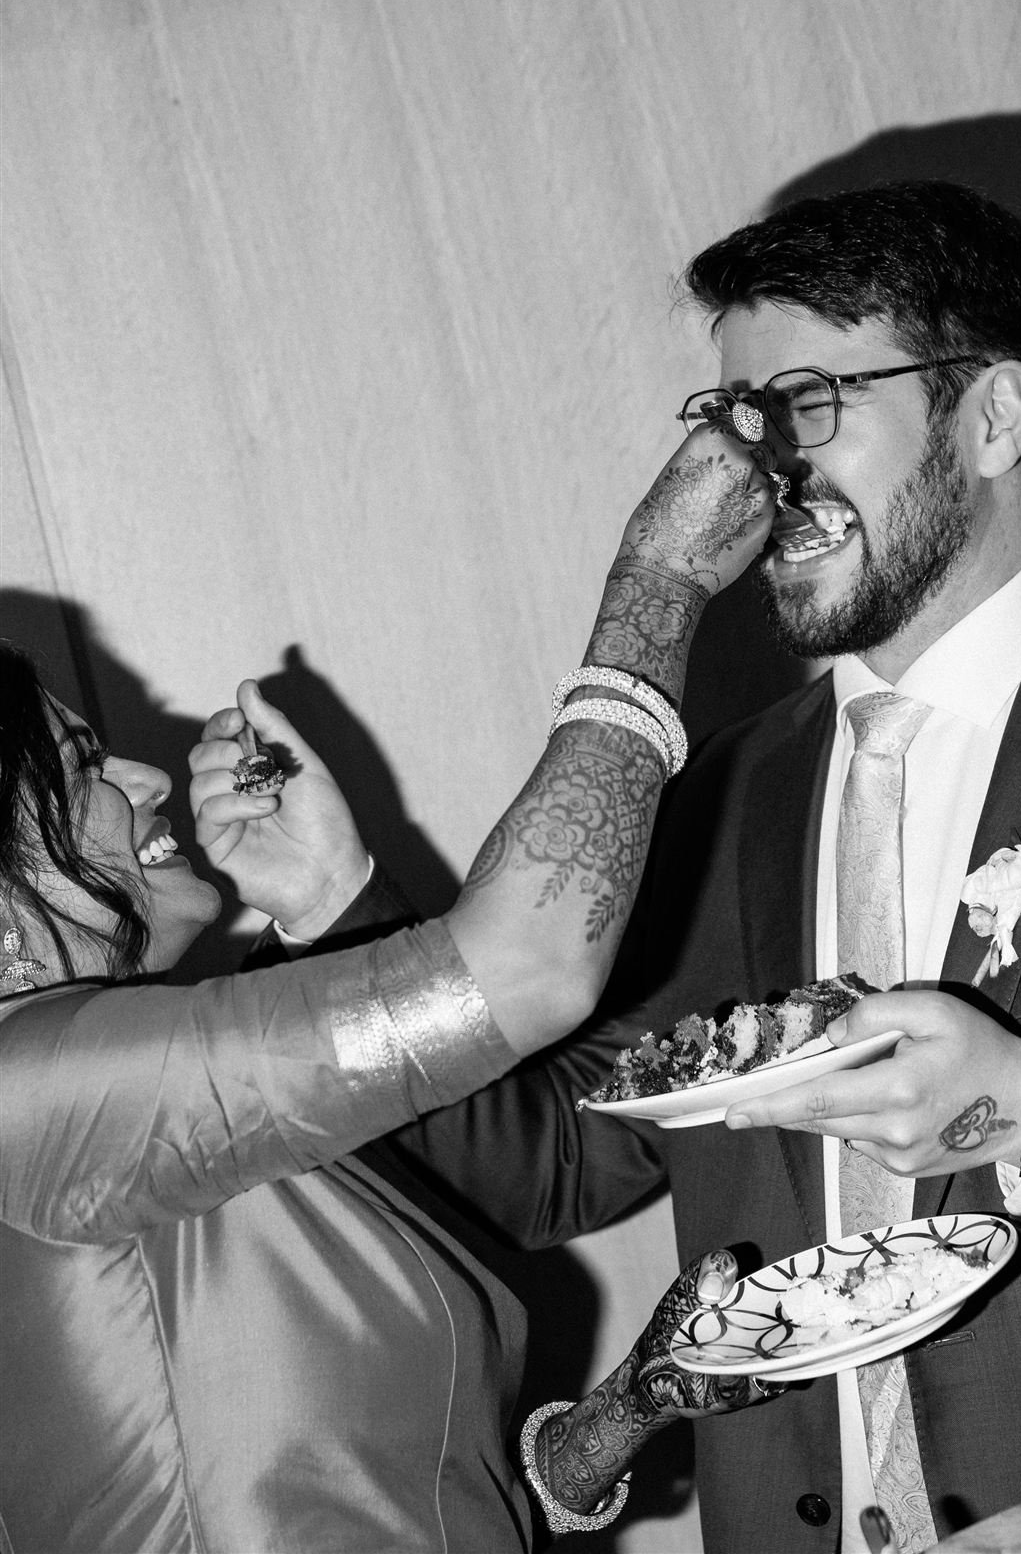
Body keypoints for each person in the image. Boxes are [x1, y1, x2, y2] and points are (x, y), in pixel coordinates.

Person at [306, 183, 1021, 1550]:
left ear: (990, 417)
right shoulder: (729, 786)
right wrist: (331, 906)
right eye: (730, 421)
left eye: (804, 403)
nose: (754, 474)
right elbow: (550, 1161)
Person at [0, 422, 784, 1553]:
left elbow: (334, 1469)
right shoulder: (39, 1093)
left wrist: (625, 1411)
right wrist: (653, 589)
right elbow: (530, 958)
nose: (143, 771)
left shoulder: (114, 1106)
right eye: (81, 769)